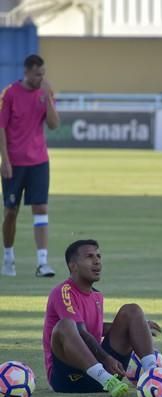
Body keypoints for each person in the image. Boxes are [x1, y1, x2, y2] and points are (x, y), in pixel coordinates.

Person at [43, 239, 162, 397]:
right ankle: (105, 379)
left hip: (104, 371)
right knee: (65, 325)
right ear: (73, 266)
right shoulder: (63, 292)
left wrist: (137, 327)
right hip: (67, 379)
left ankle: (153, 376)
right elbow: (80, 332)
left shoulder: (97, 295)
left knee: (132, 311)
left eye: (98, 256)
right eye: (89, 257)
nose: (97, 261)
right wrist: (106, 359)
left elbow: (94, 329)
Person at [0, 54, 59, 278]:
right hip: (14, 163)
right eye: (37, 74)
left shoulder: (45, 92)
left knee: (41, 208)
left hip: (39, 162)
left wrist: (48, 99)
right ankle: (8, 257)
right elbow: (1, 128)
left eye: (43, 74)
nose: (41, 78)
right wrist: (4, 160)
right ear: (27, 72)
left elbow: (53, 125)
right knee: (10, 212)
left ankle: (42, 262)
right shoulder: (10, 94)